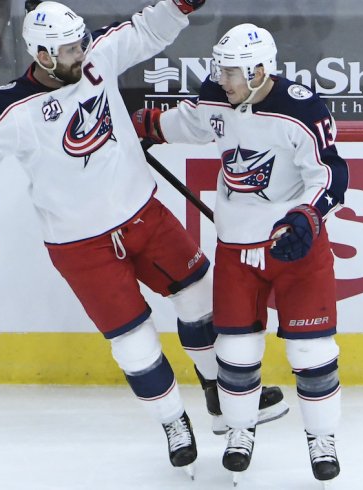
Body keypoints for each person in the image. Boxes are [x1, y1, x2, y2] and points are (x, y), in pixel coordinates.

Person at [0, 0, 287, 476]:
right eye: (67, 50)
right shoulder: (11, 106)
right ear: (41, 55)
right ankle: (172, 423)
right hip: (80, 245)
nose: (80, 54)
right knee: (133, 343)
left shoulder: (95, 56)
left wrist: (180, 4)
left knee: (201, 301)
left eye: (80, 42)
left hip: (143, 213)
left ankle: (216, 390)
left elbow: (146, 30)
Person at [133, 23, 348, 484]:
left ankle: (322, 437)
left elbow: (331, 173)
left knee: (312, 352)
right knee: (235, 349)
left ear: (258, 69)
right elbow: (183, 123)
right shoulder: (218, 97)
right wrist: (137, 127)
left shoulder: (300, 108)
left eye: (232, 72)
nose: (222, 79)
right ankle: (239, 431)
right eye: (221, 69)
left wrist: (308, 218)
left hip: (296, 247)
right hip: (236, 249)